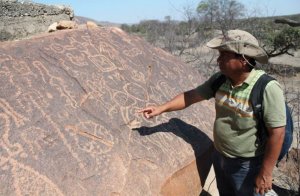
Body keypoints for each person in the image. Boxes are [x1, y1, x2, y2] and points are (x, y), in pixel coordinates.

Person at [138, 30, 286, 196]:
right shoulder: (220, 79)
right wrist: (161, 108)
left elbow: (277, 133)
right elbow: (191, 96)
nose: (218, 60)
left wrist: (265, 173)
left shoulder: (267, 88)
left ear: (243, 60)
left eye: (224, 55)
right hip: (220, 156)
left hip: (248, 165)